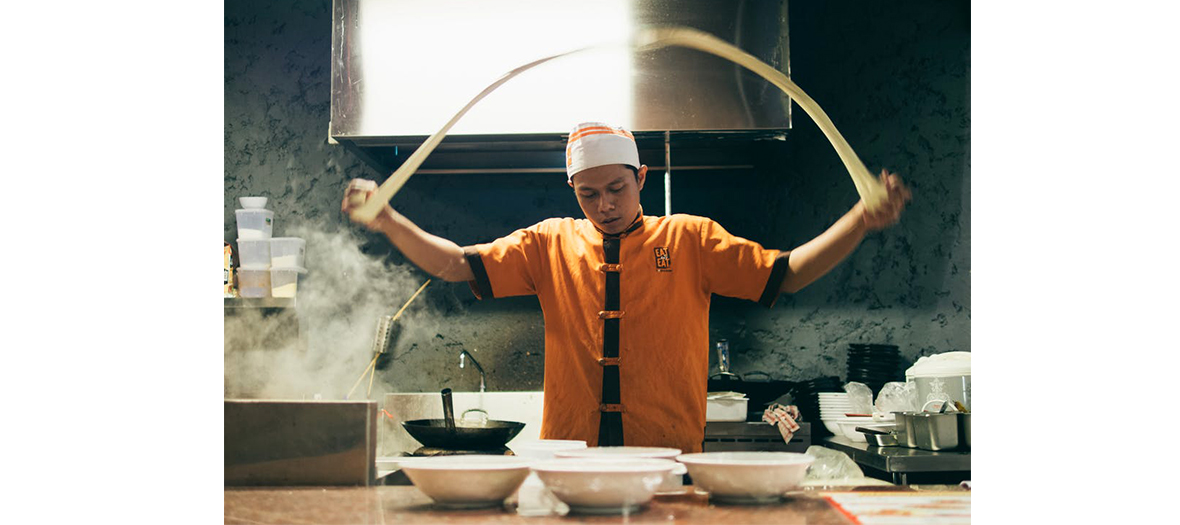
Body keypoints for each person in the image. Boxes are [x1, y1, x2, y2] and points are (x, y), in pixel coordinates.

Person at [343, 121, 911, 453]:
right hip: (571, 457)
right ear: (573, 189)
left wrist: (860, 220)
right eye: (588, 194)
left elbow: (787, 274)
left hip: (667, 457)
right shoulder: (548, 243)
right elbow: (456, 266)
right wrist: (390, 221)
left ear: (642, 177)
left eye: (616, 187)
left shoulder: (690, 239)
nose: (605, 205)